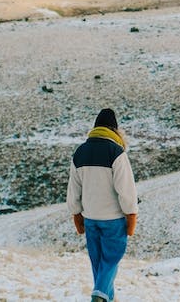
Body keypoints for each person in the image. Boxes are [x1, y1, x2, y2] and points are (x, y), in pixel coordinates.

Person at [67, 108, 138, 302]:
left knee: (98, 264)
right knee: (111, 259)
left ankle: (107, 298)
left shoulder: (80, 152)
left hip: (90, 218)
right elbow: (126, 188)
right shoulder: (116, 152)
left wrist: (76, 213)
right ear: (115, 130)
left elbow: (74, 188)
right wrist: (131, 214)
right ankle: (99, 296)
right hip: (113, 218)